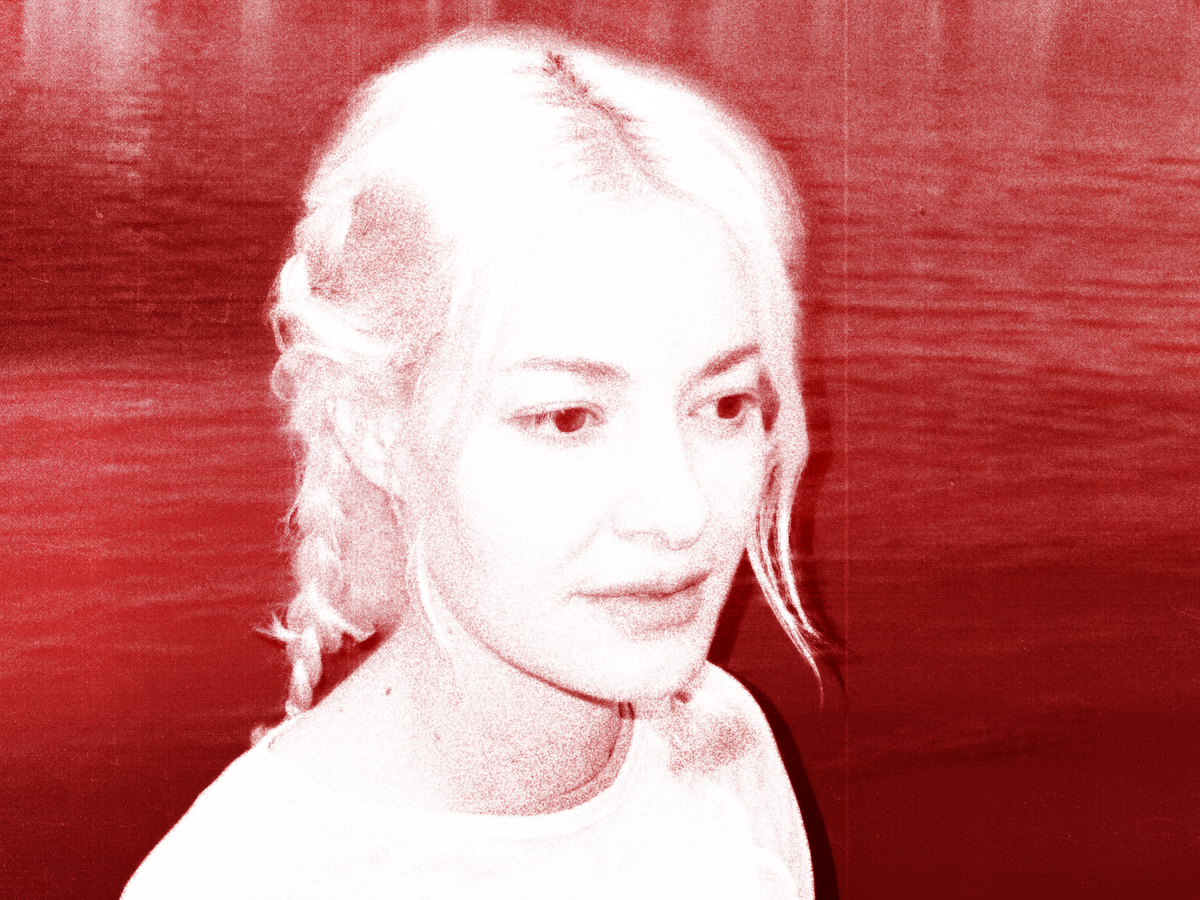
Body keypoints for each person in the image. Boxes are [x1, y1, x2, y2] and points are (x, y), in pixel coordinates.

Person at [124, 25, 821, 899]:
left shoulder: (721, 745)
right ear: (375, 427)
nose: (681, 512)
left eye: (723, 406)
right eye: (568, 418)